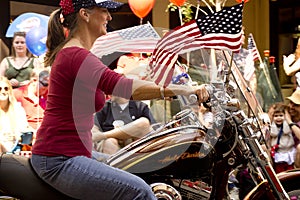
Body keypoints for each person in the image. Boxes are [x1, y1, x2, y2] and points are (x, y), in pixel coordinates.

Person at [30, 1, 209, 199]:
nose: (110, 17)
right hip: (59, 158)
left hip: (72, 153)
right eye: (104, 11)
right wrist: (184, 90)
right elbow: (125, 87)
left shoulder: (77, 54)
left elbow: (119, 84)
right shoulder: (76, 56)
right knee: (139, 191)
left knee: (143, 169)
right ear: (85, 14)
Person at [0, 76, 33, 154]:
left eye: (6, 88)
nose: (3, 91)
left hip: (14, 151)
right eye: (0, 88)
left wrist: (29, 133)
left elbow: (24, 135)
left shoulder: (18, 109)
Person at [268, 102, 296, 173]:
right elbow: (273, 133)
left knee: (290, 170)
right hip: (279, 152)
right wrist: (272, 122)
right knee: (279, 171)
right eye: (276, 116)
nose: (278, 118)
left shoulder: (287, 125)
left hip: (288, 151)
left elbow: (286, 131)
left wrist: (286, 121)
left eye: (281, 115)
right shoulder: (273, 126)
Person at [285, 90, 300, 168]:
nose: (291, 107)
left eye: (296, 105)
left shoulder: (288, 119)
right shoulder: (282, 113)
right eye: (291, 103)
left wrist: (290, 122)